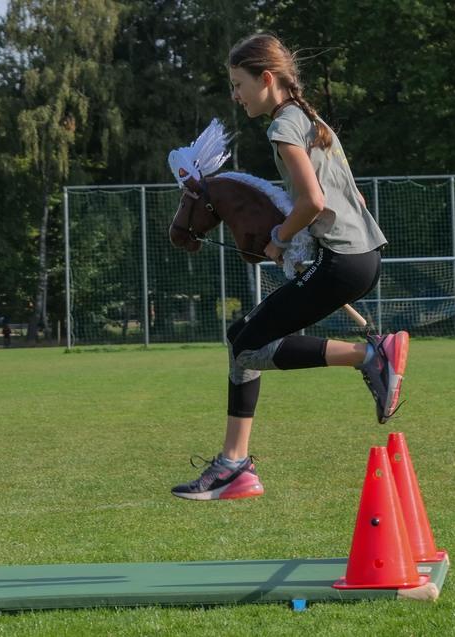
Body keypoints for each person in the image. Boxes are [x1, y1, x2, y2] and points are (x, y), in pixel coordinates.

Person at [171, 33, 409, 501]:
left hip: (343, 263)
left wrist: (281, 241)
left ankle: (370, 356)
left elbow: (314, 201)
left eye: (239, 84)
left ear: (266, 79)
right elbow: (352, 197)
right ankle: (233, 464)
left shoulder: (283, 128)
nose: (235, 96)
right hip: (358, 257)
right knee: (242, 339)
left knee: (245, 346)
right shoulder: (310, 119)